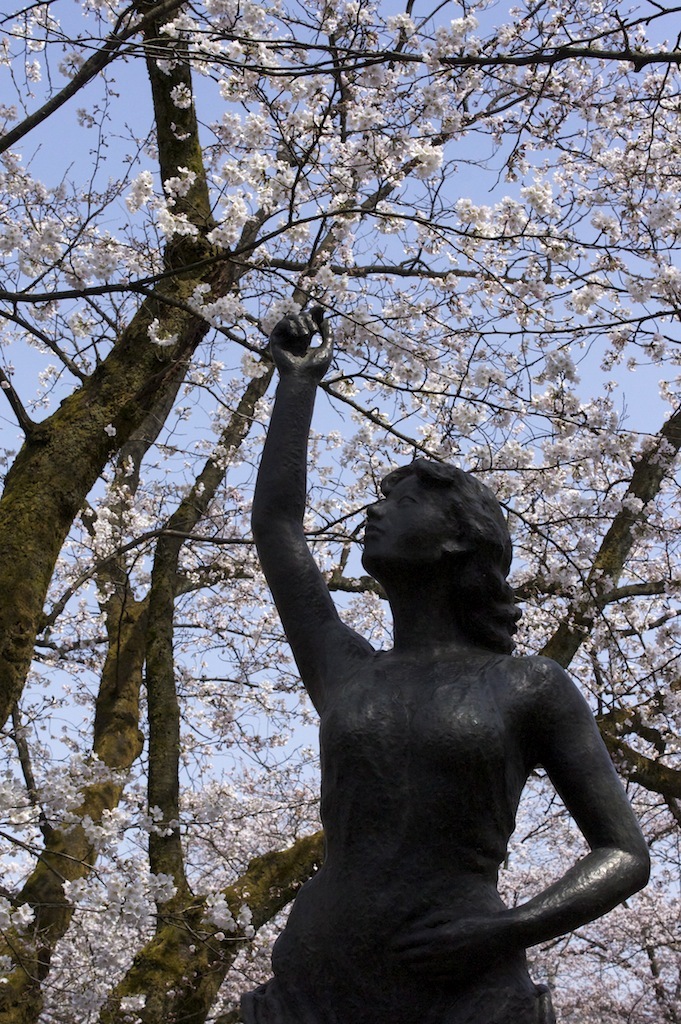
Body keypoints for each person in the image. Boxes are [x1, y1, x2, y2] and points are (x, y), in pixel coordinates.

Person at [242, 310, 650, 1024]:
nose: (372, 510)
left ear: (458, 541)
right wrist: (297, 386)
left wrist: (507, 929)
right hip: (316, 980)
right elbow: (277, 527)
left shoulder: (528, 686)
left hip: (466, 989)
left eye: (396, 502)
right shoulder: (345, 669)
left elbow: (622, 852)